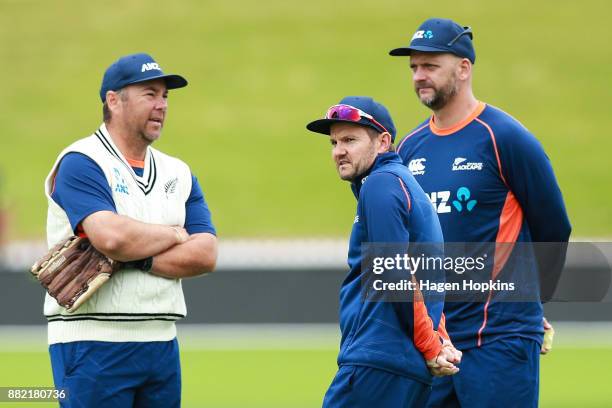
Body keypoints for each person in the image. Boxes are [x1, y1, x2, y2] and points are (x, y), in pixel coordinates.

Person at [389, 18, 571, 407]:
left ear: (464, 68)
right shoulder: (409, 148)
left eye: (430, 66)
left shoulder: (504, 137)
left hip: (499, 339)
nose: (419, 76)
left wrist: (534, 301)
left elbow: (554, 226)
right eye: (414, 68)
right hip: (437, 345)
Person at [43, 53, 218, 407]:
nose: (162, 105)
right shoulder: (82, 160)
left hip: (161, 342)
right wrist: (173, 234)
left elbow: (206, 254)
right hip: (92, 341)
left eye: (165, 96)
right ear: (113, 100)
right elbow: (112, 237)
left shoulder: (178, 172)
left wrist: (134, 258)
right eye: (149, 94)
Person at [306, 96, 462, 408]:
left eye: (350, 139)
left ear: (383, 142)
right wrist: (439, 340)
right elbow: (425, 276)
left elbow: (395, 272)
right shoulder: (402, 184)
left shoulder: (380, 185)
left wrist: (431, 346)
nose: (339, 151)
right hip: (402, 368)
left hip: (376, 363)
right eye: (334, 142)